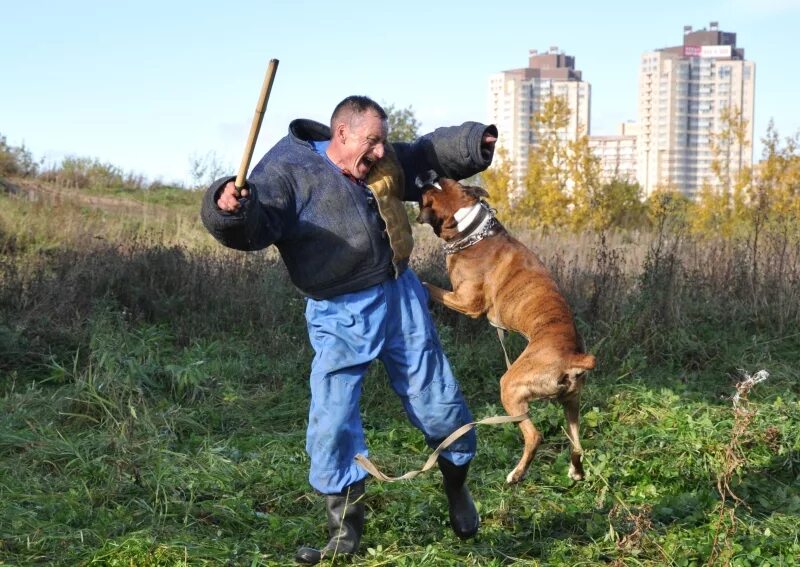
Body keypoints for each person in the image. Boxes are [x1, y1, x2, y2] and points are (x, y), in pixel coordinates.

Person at [201, 95, 497, 564]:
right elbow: (253, 225)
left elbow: (421, 154)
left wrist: (471, 142)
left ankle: (457, 486)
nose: (380, 152)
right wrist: (228, 208)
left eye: (381, 142)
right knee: (333, 416)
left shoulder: (376, 158)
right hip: (339, 310)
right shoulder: (286, 171)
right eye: (372, 142)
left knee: (439, 400)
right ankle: (344, 530)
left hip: (400, 295)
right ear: (342, 135)